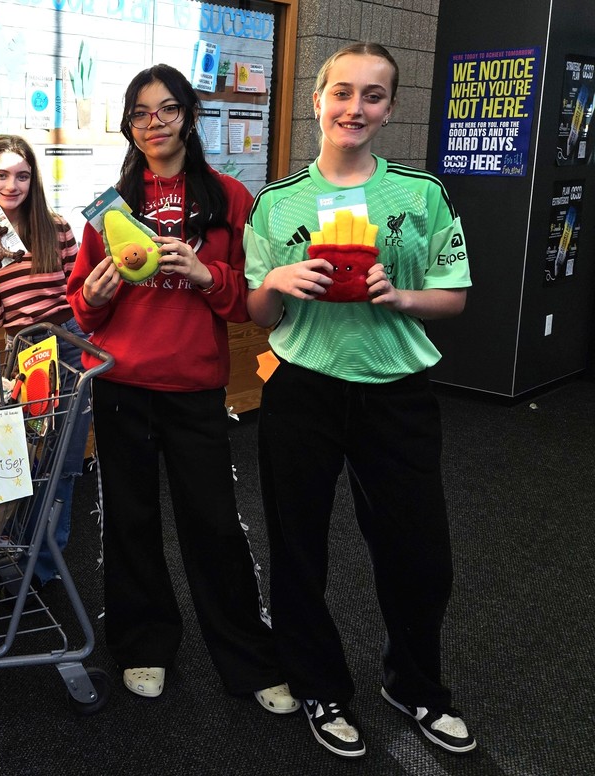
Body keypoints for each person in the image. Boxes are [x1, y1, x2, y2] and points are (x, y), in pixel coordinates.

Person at [244, 42, 475, 758]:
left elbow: (455, 295)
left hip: (396, 395)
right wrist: (277, 283)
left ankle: (414, 684)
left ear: (390, 108)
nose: (355, 107)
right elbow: (257, 313)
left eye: (373, 95)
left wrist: (401, 296)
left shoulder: (421, 194)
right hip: (302, 391)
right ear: (317, 101)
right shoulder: (277, 203)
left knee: (419, 553)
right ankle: (318, 683)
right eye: (342, 92)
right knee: (299, 548)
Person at [66, 63, 294, 712]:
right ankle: (142, 644)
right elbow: (81, 310)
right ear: (128, 127)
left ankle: (248, 658)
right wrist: (94, 294)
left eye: (167, 110)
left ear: (190, 116)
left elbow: (248, 305)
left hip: (195, 389)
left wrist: (206, 273)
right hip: (121, 387)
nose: (155, 123)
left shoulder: (228, 199)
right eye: (141, 113)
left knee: (214, 524)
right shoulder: (110, 208)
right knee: (131, 523)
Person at [0, 134, 91, 590]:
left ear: (33, 180)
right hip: (21, 350)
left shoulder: (56, 228)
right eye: (1, 175)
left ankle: (43, 569)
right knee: (20, 457)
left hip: (66, 346)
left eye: (22, 175)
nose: (12, 185)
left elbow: (80, 294)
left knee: (62, 461)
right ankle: (11, 553)